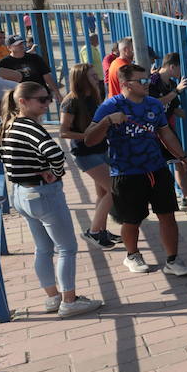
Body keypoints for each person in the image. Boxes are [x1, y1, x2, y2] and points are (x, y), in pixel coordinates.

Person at [0, 82, 103, 318]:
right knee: (67, 248)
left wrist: (24, 170)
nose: (47, 104)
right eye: (41, 100)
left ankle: (53, 297)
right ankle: (69, 301)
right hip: (44, 193)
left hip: (22, 194)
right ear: (23, 101)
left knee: (43, 248)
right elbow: (54, 152)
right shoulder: (32, 128)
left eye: (48, 98)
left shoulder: (9, 125)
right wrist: (55, 172)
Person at [83, 63, 187, 275]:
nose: (147, 83)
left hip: (156, 168)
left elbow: (166, 133)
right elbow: (89, 140)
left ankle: (172, 260)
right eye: (142, 81)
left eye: (147, 79)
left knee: (167, 215)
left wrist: (183, 157)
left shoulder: (154, 105)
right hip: (126, 172)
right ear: (126, 84)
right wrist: (107, 122)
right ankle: (132, 255)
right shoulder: (110, 106)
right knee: (132, 219)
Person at [58, 63, 119, 250]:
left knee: (102, 192)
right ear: (82, 79)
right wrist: (86, 135)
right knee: (114, 189)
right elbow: (63, 132)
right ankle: (93, 232)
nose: (97, 79)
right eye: (92, 76)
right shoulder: (71, 101)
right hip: (85, 153)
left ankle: (101, 230)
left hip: (101, 149)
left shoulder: (94, 96)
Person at [148, 52, 187, 209]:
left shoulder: (172, 84)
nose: (181, 73)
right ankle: (161, 198)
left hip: (167, 129)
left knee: (180, 161)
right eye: (180, 68)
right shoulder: (153, 81)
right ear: (172, 67)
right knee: (160, 166)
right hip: (152, 132)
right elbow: (155, 104)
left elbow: (174, 108)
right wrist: (177, 92)